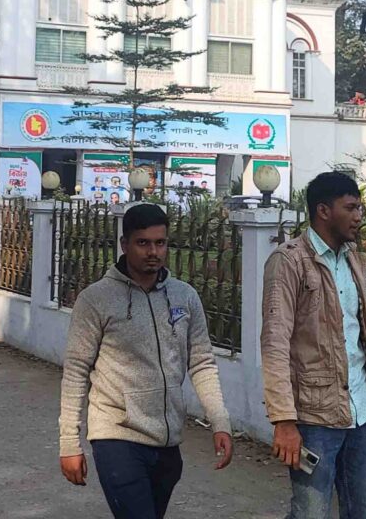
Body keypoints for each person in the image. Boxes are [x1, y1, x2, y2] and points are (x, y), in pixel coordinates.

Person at [59, 203, 233, 519]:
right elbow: (75, 372)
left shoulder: (185, 296)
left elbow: (202, 363)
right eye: (143, 243)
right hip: (116, 437)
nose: (153, 251)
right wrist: (69, 443)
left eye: (160, 242)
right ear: (125, 245)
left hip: (167, 442)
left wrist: (220, 422)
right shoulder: (96, 299)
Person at [261, 171, 366, 519]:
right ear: (323, 210)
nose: (359, 217)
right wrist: (284, 421)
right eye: (351, 208)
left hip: (363, 412)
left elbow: (359, 336)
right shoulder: (288, 262)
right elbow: (274, 343)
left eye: (360, 208)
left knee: (362, 512)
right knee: (310, 513)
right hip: (314, 418)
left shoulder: (353, 259)